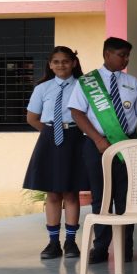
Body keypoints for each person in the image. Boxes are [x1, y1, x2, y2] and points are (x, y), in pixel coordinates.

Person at [68, 37, 137, 264]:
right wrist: (97, 139)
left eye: (127, 56)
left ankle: (126, 247)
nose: (125, 59)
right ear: (107, 54)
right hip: (97, 146)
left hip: (128, 145)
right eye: (121, 55)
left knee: (126, 198)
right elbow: (77, 112)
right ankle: (101, 248)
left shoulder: (132, 82)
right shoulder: (87, 82)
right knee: (101, 197)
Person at [25, 46, 87, 260]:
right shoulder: (43, 88)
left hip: (74, 139)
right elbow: (32, 118)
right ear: (50, 65)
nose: (61, 65)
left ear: (74, 63)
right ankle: (53, 243)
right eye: (56, 61)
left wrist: (66, 132)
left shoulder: (83, 86)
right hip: (50, 139)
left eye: (66, 61)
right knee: (52, 193)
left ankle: (71, 242)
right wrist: (52, 133)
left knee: (70, 191)